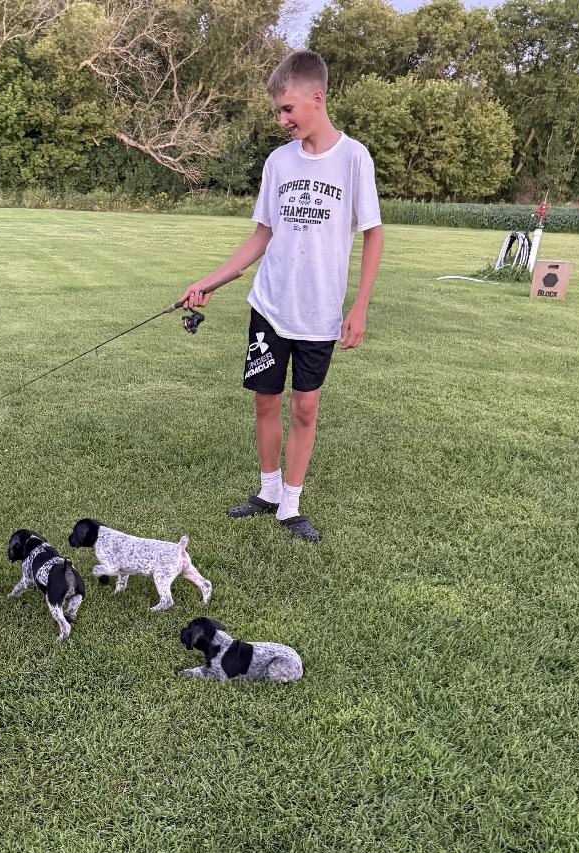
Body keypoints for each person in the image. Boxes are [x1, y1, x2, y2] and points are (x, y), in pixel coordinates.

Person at [180, 49, 384, 542]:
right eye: (278, 110)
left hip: (319, 313)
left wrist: (359, 306)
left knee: (305, 408)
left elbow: (373, 234)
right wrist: (208, 282)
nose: (282, 120)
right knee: (266, 402)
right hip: (270, 307)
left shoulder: (354, 159)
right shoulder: (278, 162)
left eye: (288, 109)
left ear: (318, 98)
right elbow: (261, 235)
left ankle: (290, 505)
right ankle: (268, 491)